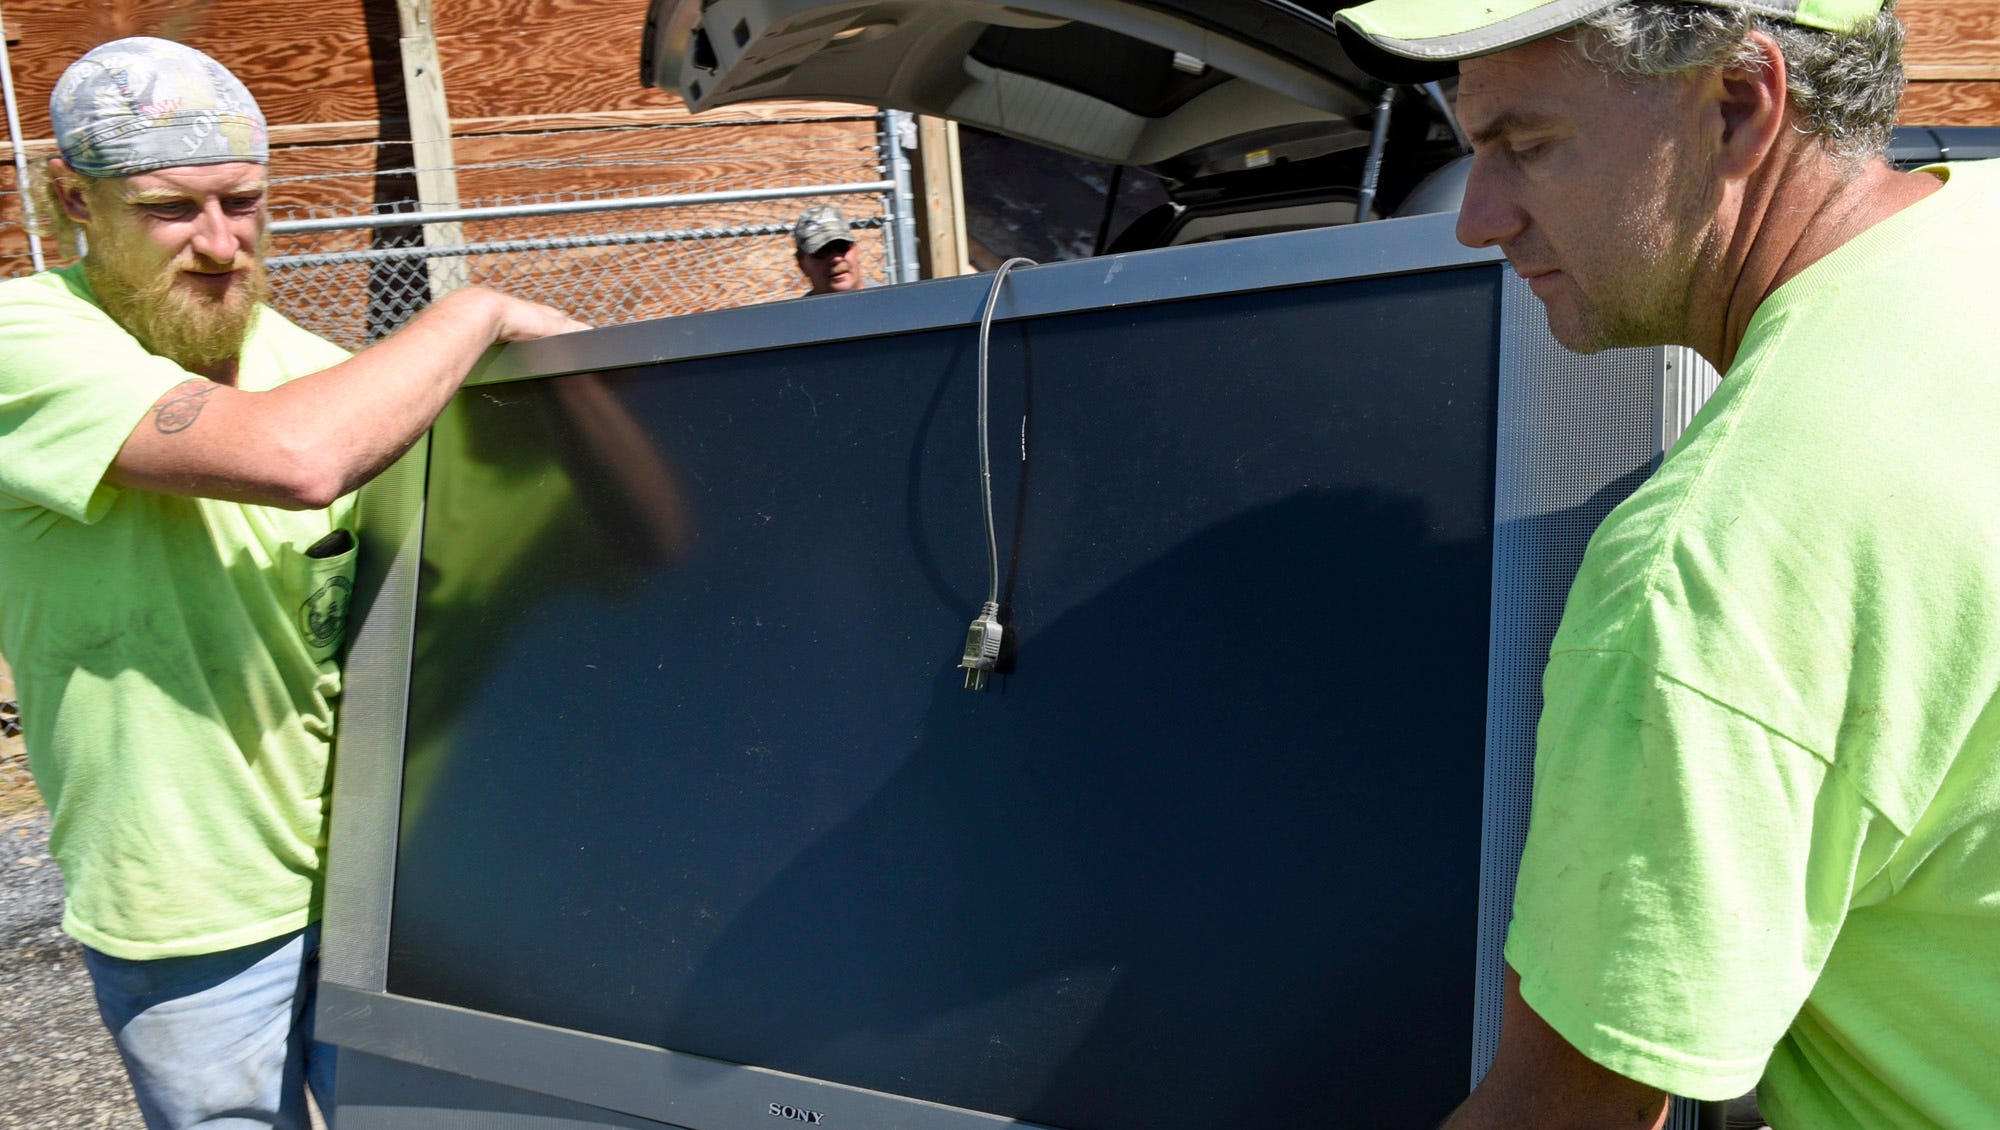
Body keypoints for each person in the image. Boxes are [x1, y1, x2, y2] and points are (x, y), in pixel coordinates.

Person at [1330, 2, 2000, 1127]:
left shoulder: (1714, 565)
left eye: (1523, 145)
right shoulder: (1969, 238)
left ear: (1738, 105)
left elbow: (1563, 1112)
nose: (1476, 219)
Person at [0, 37, 587, 1128]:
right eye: (173, 209)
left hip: (382, 883)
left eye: (245, 202)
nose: (222, 244)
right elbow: (295, 460)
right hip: (190, 903)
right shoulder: (25, 336)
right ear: (74, 199)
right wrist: (478, 312)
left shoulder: (312, 367)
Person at [790, 203, 866, 294]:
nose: (836, 259)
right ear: (802, 265)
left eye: (841, 246)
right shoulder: (800, 308)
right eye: (822, 251)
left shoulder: (886, 300)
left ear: (856, 250)